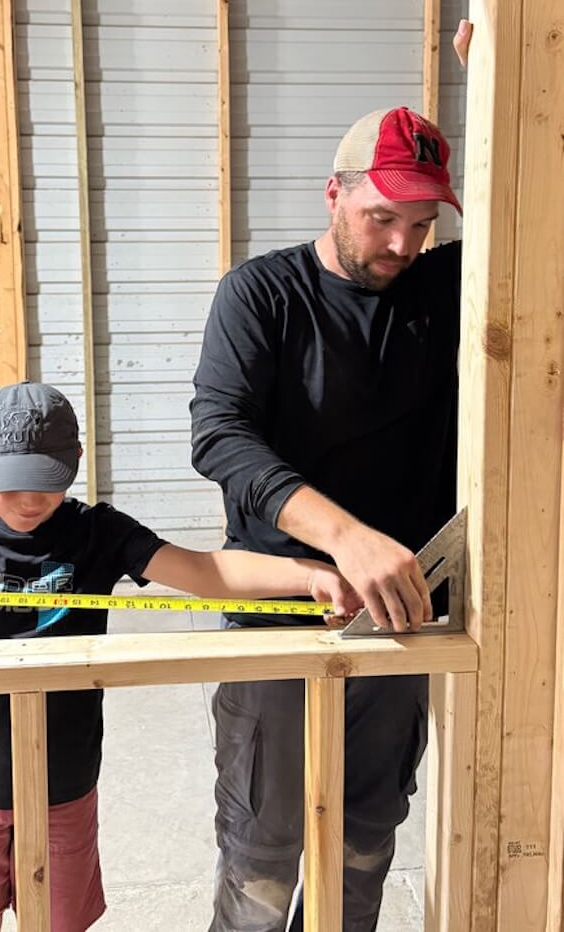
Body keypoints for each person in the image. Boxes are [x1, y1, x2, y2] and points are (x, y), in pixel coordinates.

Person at [0, 380, 362, 932]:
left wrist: (309, 574)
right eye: (11, 484)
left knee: (60, 922)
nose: (29, 502)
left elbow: (203, 571)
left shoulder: (97, 532)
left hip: (65, 786)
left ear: (74, 462)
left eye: (45, 485)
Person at [191, 105, 463, 931]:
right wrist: (346, 538)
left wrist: (501, 73)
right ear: (333, 196)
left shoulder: (445, 286)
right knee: (263, 853)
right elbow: (220, 436)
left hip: (405, 620)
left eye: (421, 223)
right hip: (285, 610)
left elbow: (538, 221)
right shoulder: (263, 294)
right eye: (382, 218)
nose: (401, 246)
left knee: (363, 841)